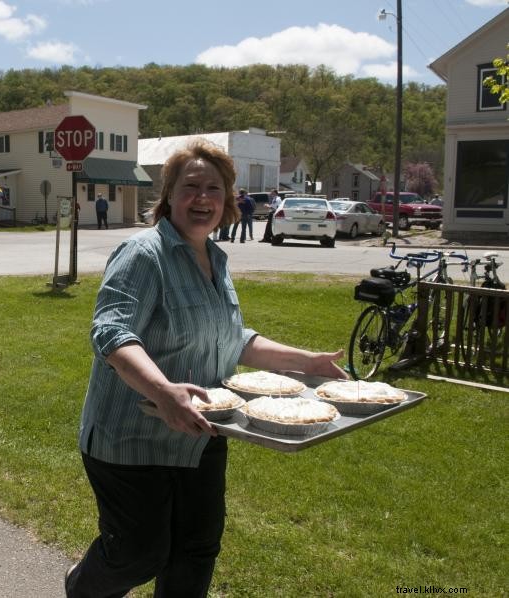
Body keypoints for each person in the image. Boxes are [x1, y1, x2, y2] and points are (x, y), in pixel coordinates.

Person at [65, 141, 345, 598]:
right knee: (139, 554)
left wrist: (306, 361)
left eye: (213, 188)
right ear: (170, 195)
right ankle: (81, 585)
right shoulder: (143, 254)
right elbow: (111, 333)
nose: (202, 198)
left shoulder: (215, 258)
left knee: (196, 551)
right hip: (133, 438)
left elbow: (232, 338)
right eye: (190, 187)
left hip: (201, 433)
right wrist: (161, 389)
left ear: (227, 198)